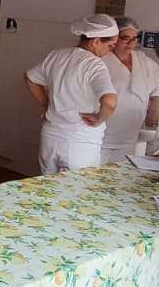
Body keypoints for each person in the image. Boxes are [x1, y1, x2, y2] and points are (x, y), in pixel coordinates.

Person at [25, 14, 119, 174]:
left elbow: (30, 78)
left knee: (48, 187)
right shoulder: (94, 64)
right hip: (80, 141)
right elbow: (110, 101)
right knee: (80, 188)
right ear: (95, 41)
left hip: (51, 137)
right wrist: (99, 119)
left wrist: (46, 104)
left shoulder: (56, 55)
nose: (110, 51)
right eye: (110, 45)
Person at [100, 16, 159, 164]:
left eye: (134, 39)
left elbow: (157, 85)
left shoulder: (143, 61)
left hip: (130, 133)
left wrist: (155, 108)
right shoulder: (101, 60)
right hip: (103, 132)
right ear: (114, 38)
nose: (131, 43)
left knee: (120, 173)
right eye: (125, 38)